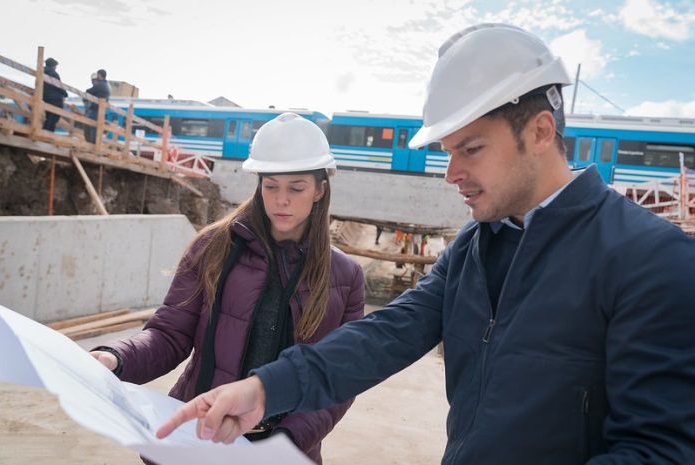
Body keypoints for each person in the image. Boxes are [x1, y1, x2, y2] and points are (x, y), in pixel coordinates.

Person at [156, 24, 695, 465]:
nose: (450, 172)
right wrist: (266, 389)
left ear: (539, 131)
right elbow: (385, 334)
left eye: (471, 148)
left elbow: (661, 451)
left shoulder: (651, 262)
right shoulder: (475, 248)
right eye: (446, 150)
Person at [91, 112, 365, 464]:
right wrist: (117, 357)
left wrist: (284, 444)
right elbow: (168, 334)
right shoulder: (212, 247)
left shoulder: (345, 276)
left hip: (285, 452)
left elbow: (337, 380)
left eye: (296, 188)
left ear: (319, 190)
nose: (282, 200)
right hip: (197, 437)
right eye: (271, 186)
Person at [84, 69, 110, 143]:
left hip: (95, 110)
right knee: (96, 128)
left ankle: (92, 145)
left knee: (92, 128)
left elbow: (88, 91)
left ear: (99, 75)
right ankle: (94, 144)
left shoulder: (101, 84)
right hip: (101, 110)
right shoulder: (106, 85)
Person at [42, 57, 68, 132]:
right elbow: (59, 85)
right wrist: (65, 94)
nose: (56, 68)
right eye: (55, 66)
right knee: (54, 118)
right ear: (53, 65)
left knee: (48, 117)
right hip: (55, 99)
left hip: (46, 98)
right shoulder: (53, 73)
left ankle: (44, 132)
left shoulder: (42, 72)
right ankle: (47, 134)